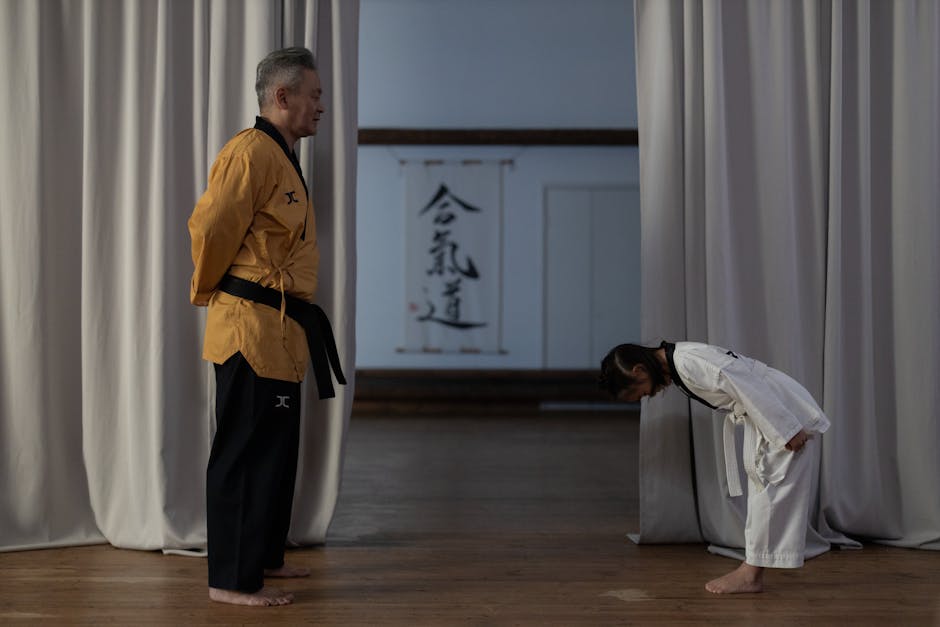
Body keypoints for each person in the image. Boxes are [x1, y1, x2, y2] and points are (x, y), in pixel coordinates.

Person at [188, 46, 345, 607]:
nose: (321, 105)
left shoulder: (283, 155)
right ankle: (229, 580)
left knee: (276, 452)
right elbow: (210, 228)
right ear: (283, 97)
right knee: (243, 452)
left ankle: (263, 558)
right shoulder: (249, 153)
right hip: (250, 327)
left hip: (282, 329)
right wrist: (215, 292)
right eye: (315, 94)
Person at [599, 341, 827, 594]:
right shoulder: (680, 362)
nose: (648, 396)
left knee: (771, 491)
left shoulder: (687, 361)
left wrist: (786, 428)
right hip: (770, 409)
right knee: (765, 489)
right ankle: (751, 572)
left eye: (641, 392)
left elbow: (744, 382)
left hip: (778, 407)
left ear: (638, 371)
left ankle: (750, 574)